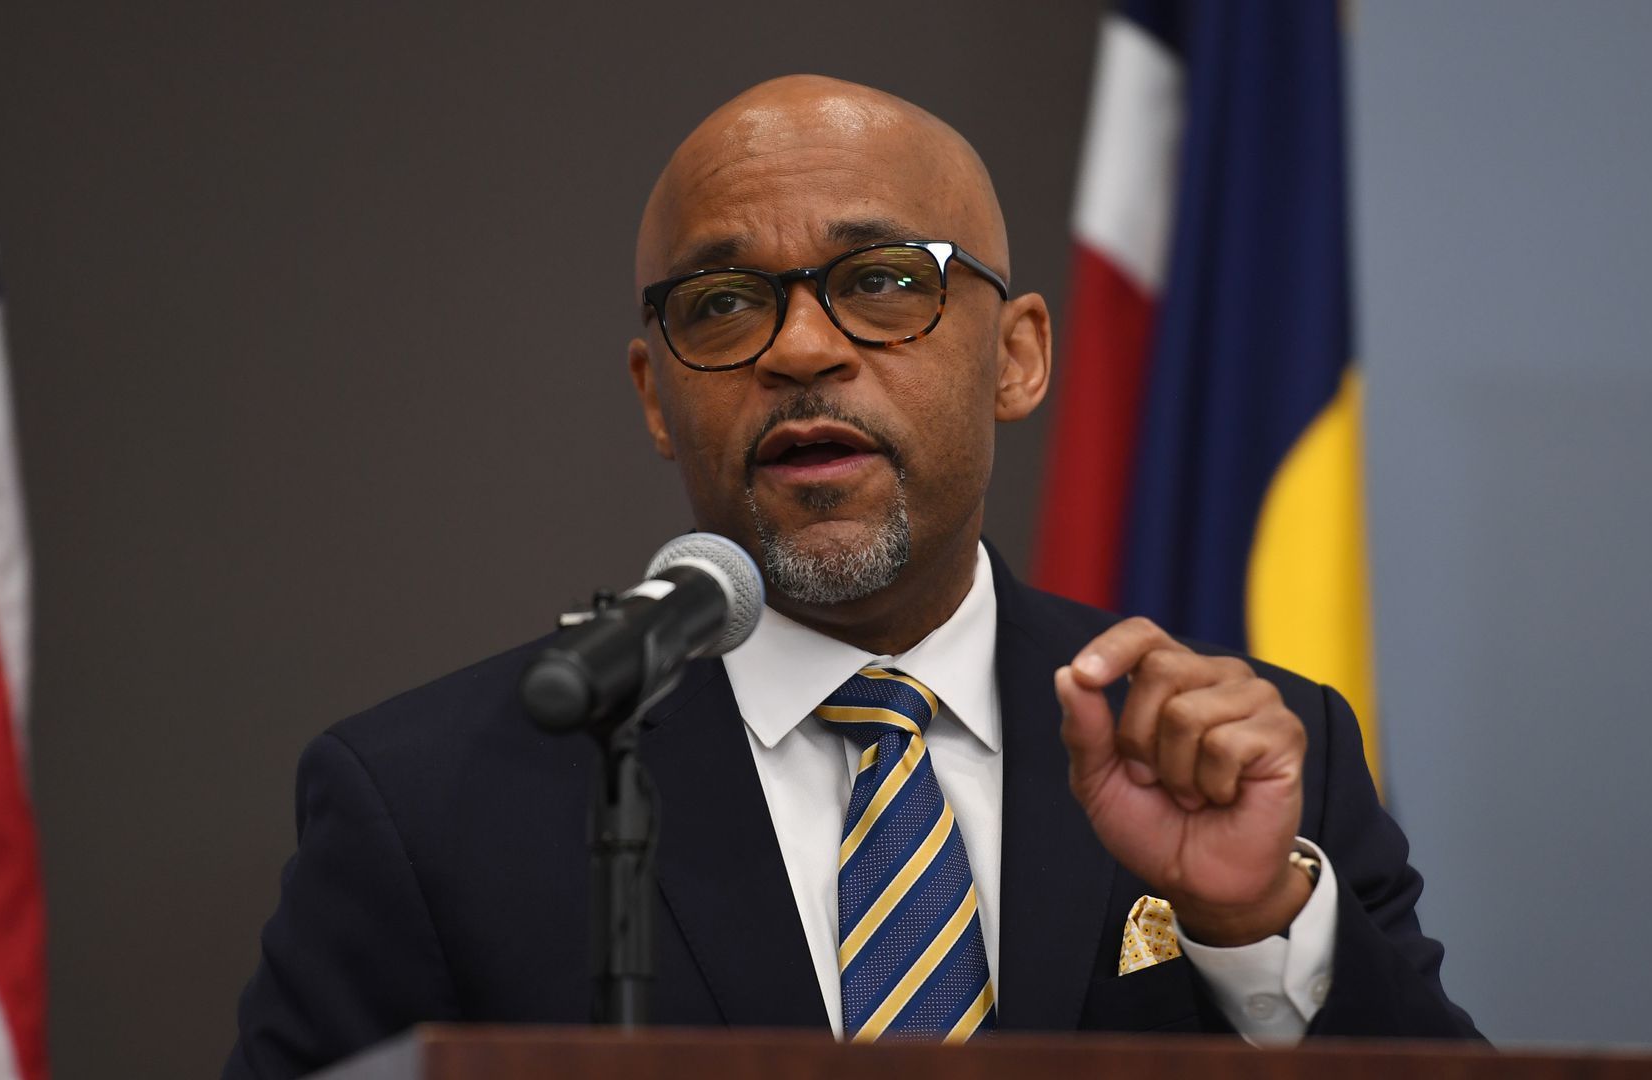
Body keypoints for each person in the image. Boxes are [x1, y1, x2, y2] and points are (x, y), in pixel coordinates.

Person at [223, 75, 1476, 1079]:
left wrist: (1257, 924)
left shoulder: (1252, 757)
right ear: (657, 398)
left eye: (881, 284)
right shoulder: (431, 806)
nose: (802, 348)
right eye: (723, 304)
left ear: (1019, 358)